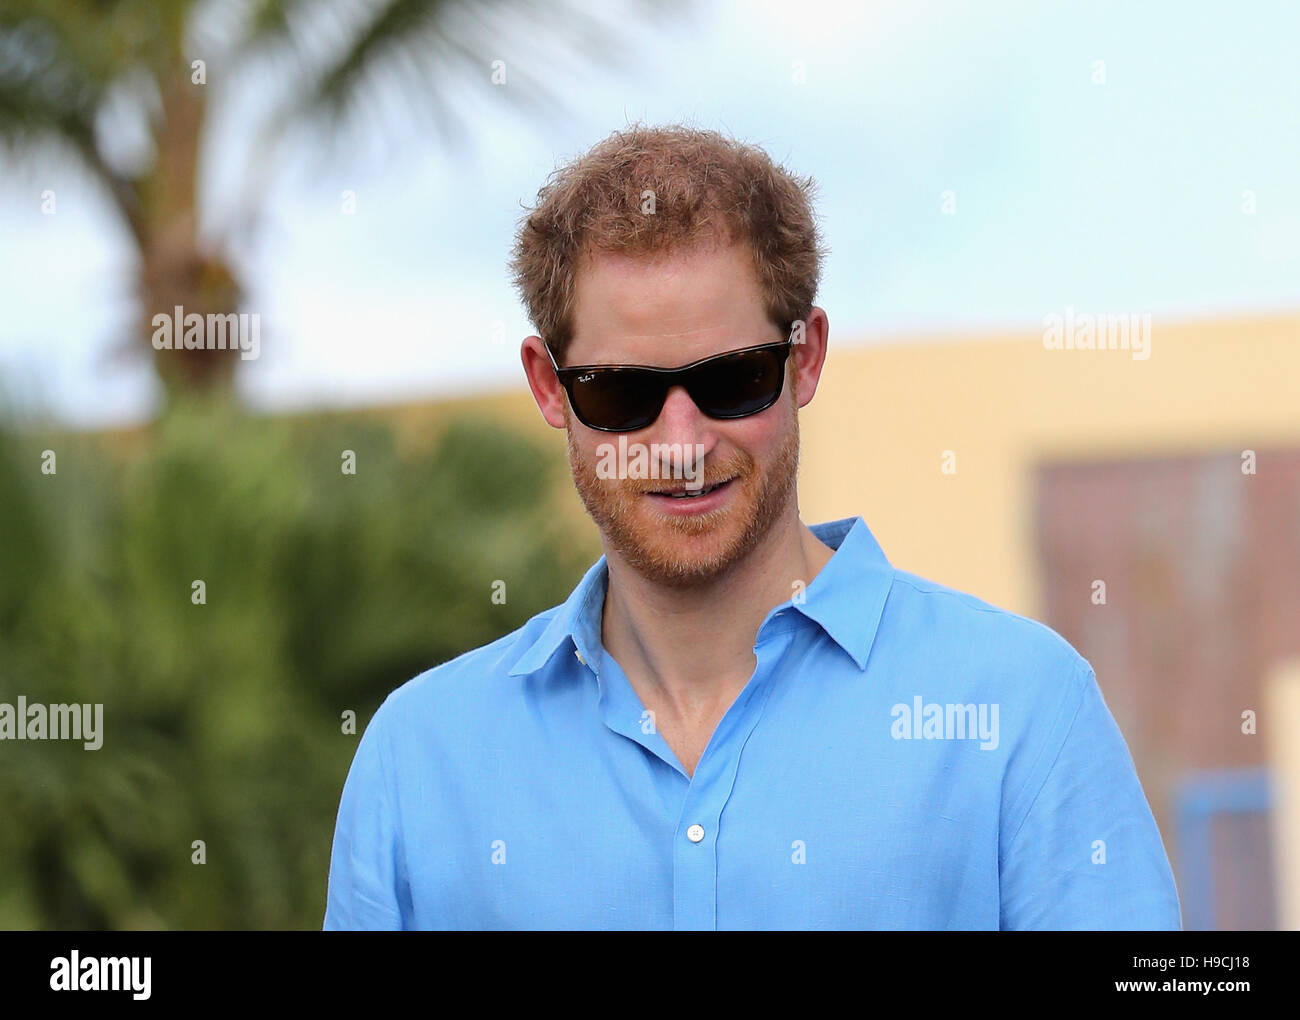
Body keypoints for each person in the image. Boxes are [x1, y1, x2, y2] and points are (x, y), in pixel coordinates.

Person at [323, 123, 1182, 930]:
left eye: (732, 379)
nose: (683, 444)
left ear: (804, 359)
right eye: (622, 392)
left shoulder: (1024, 710)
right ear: (550, 387)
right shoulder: (420, 761)